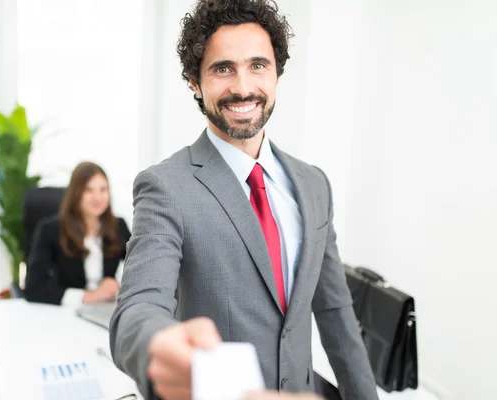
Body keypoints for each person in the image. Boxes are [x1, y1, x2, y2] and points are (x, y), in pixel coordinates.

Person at [110, 1, 379, 399]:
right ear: (194, 82)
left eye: (258, 65)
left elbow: (336, 315)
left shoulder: (314, 184)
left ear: (276, 73)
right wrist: (157, 344)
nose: (243, 86)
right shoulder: (165, 187)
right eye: (223, 68)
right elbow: (138, 306)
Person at [24, 162, 131, 306]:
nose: (97, 197)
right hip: (68, 311)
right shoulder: (50, 229)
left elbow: (142, 264)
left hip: (107, 308)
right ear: (75, 193)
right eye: (89, 190)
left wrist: (121, 286)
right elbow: (34, 289)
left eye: (103, 189)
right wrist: (88, 296)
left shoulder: (118, 226)